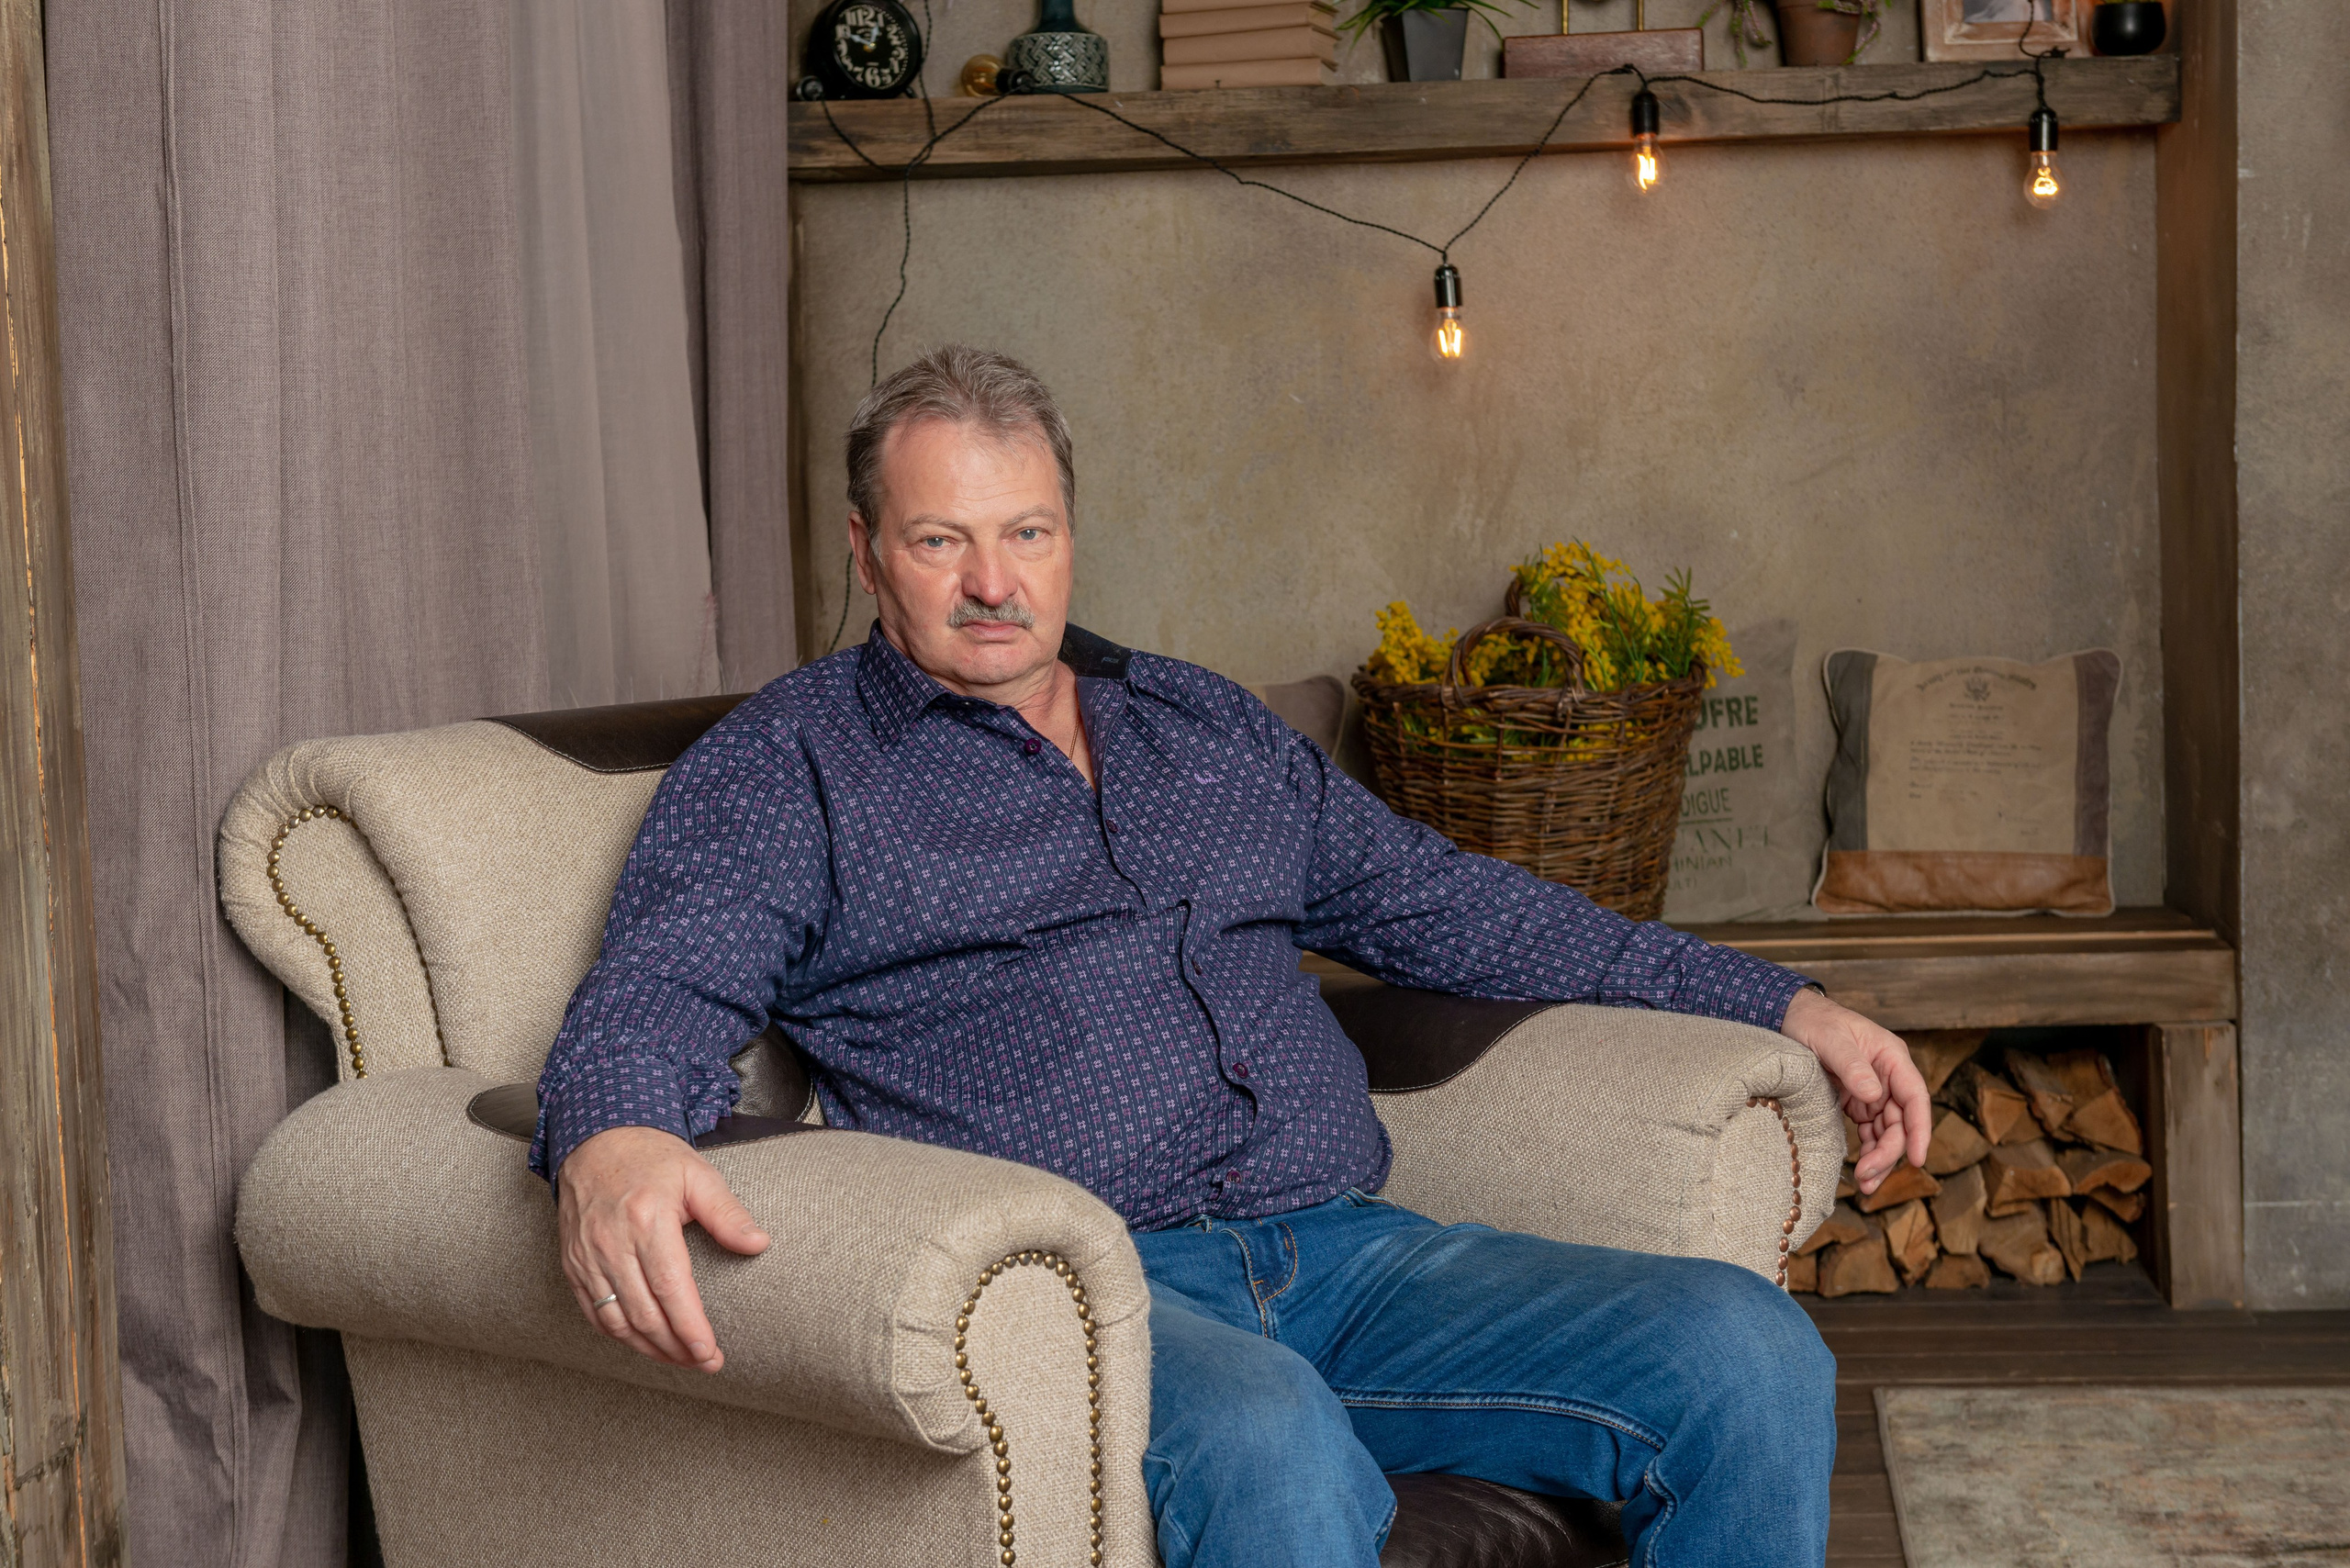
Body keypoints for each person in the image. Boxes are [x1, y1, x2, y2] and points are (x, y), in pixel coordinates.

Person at [532, 345, 1930, 1568]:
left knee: (1745, 1351)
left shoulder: (1199, 727)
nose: (993, 587)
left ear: (1072, 529)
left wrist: (1783, 999)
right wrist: (612, 1133)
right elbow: (662, 982)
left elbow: (1452, 905)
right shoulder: (794, 765)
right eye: (939, 541)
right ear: (861, 549)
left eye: (1027, 533)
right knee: (1273, 1438)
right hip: (1089, 1291)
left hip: (1356, 1259)